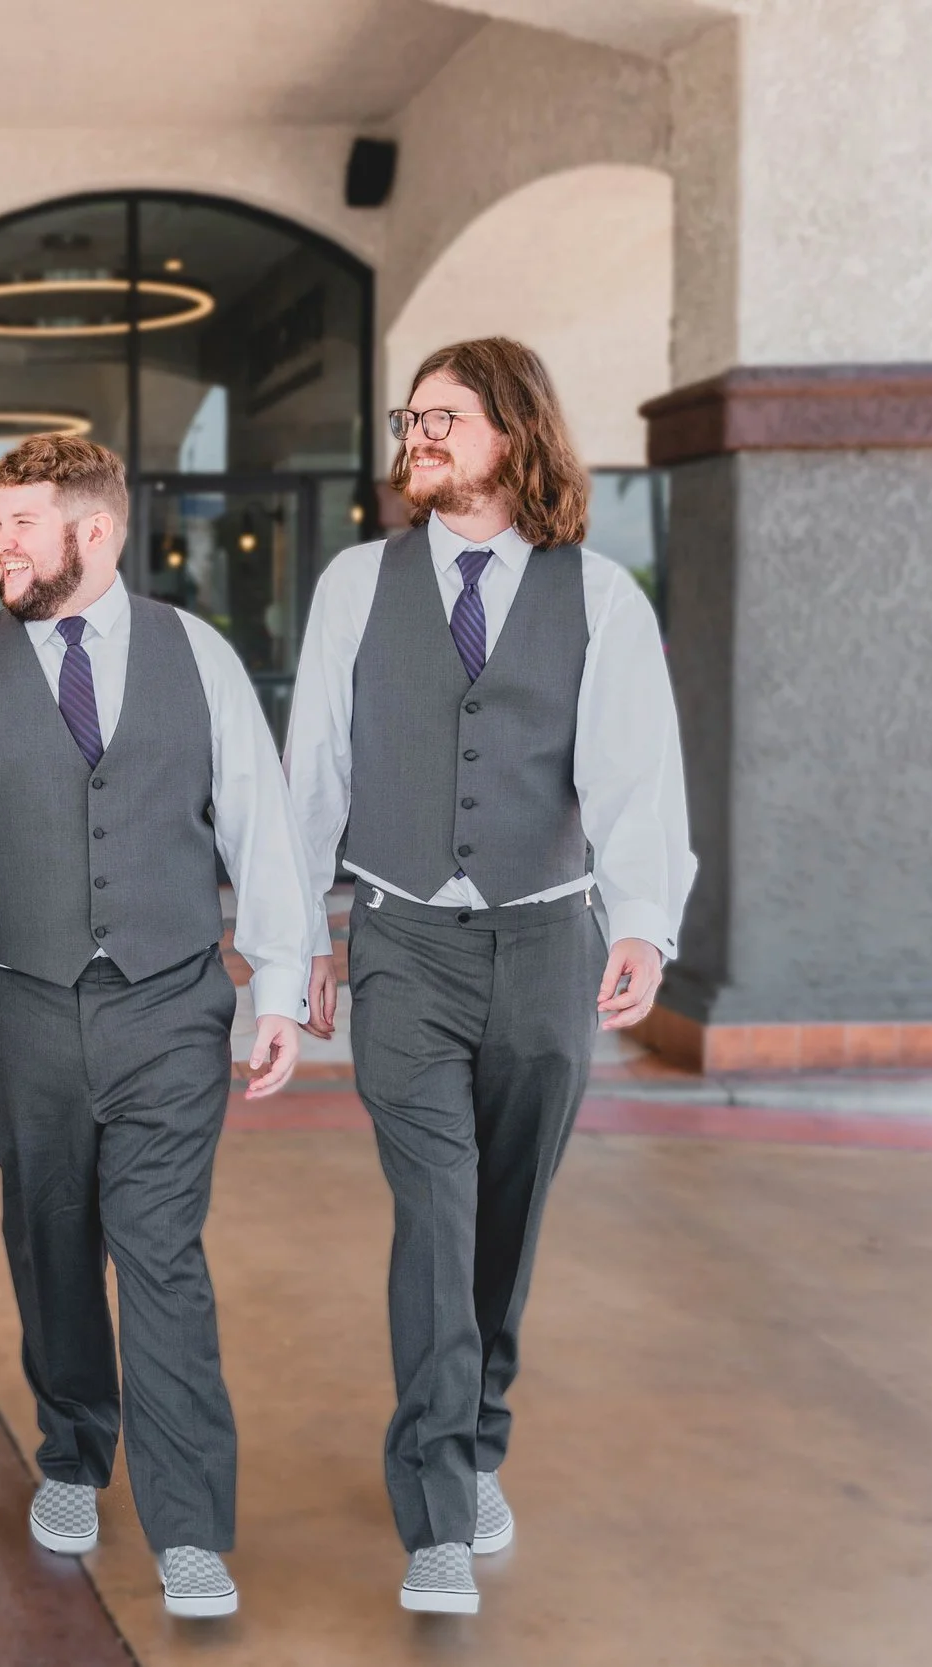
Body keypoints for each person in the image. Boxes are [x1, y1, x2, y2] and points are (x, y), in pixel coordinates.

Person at [287, 337, 694, 1615]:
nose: (417, 436)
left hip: (543, 946)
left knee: (503, 1224)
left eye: (443, 417)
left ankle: (476, 1439)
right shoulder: (357, 584)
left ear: (513, 433)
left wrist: (644, 922)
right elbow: (314, 773)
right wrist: (297, 940)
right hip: (402, 943)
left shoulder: (600, 595)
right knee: (437, 1218)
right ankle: (436, 1515)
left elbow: (634, 774)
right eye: (409, 418)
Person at [0, 433, 316, 1622]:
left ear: (93, 531)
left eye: (20, 523)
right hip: (14, 1005)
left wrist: (280, 984)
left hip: (167, 1004)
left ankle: (188, 1524)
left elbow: (259, 822)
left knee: (159, 1251)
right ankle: (72, 1449)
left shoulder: (197, 654)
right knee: (50, 1239)